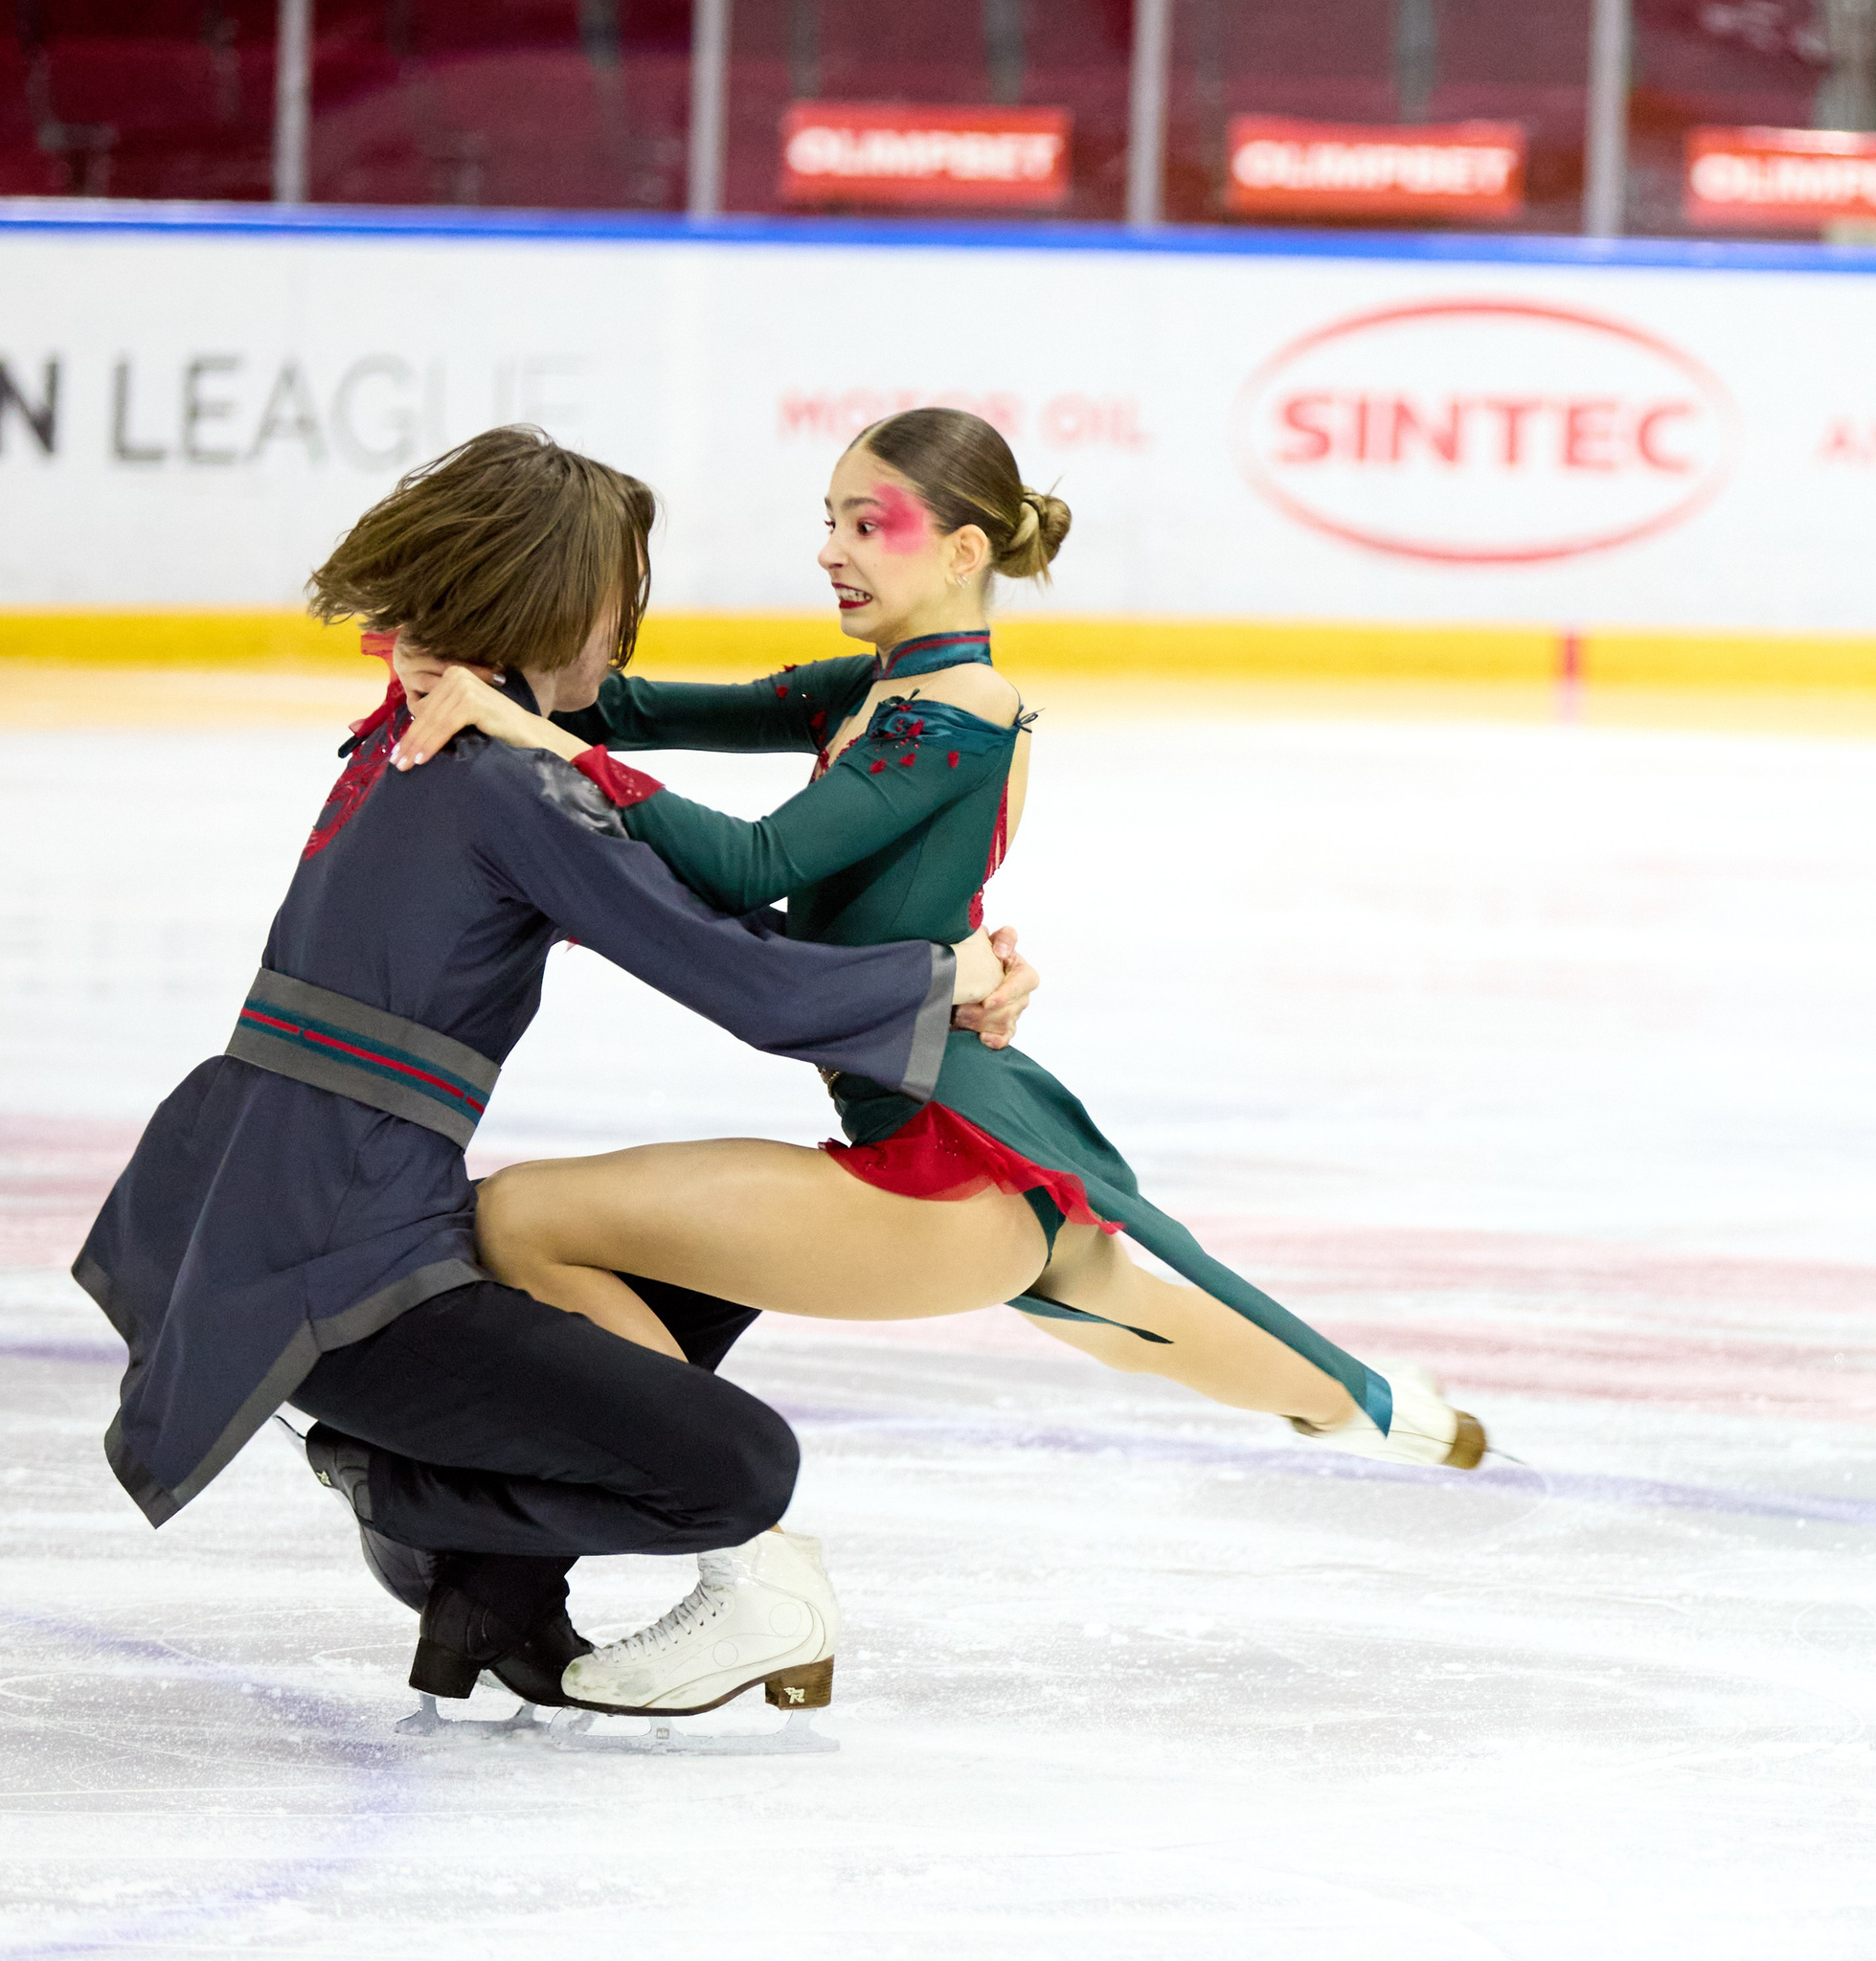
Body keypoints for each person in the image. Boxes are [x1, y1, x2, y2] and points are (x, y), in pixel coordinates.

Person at [390, 410, 1486, 1713]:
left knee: (525, 1221)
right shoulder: (875, 692)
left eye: (870, 524)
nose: (835, 551)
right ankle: (1386, 1412)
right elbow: (627, 706)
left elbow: (755, 866)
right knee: (1133, 1320)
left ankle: (753, 1575)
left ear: (962, 549)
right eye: (830, 521)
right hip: (955, 1135)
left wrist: (541, 744)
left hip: (937, 1169)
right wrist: (459, 659)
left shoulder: (953, 714)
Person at [73, 425, 1027, 1724]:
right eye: (620, 606)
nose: (625, 640)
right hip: (343, 1267)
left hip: (255, 1205)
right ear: (571, 603)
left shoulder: (405, 732)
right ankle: (389, 1481)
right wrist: (947, 981)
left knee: (694, 1263)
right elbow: (751, 984)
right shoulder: (508, 789)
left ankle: (489, 1589)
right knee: (742, 1468)